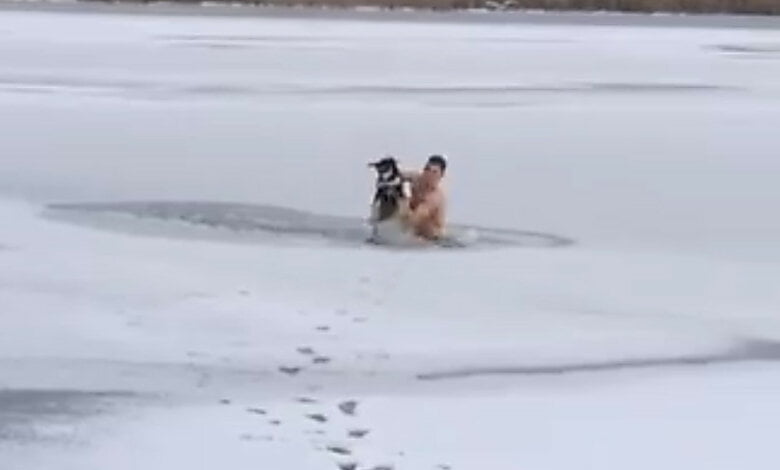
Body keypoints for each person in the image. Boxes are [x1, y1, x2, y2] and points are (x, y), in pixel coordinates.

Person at [400, 154, 448, 241]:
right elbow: (396, 174)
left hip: (432, 240)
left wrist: (403, 200)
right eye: (427, 169)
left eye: (434, 172)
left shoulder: (435, 198)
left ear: (442, 175)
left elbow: (414, 219)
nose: (429, 175)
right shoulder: (416, 178)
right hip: (414, 233)